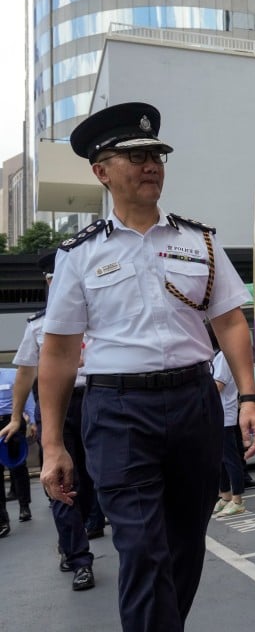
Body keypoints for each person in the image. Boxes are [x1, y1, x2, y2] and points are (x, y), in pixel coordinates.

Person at [38, 101, 255, 632]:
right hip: (117, 411)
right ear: (101, 171)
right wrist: (52, 443)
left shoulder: (199, 242)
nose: (150, 164)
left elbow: (230, 322)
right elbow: (59, 352)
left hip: (195, 403)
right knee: (142, 547)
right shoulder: (80, 255)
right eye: (135, 155)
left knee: (185, 545)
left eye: (156, 154)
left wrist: (249, 396)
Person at [8, 251, 97, 591]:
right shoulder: (38, 326)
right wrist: (17, 417)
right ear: (48, 281)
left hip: (95, 400)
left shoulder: (96, 315)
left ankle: (85, 527)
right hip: (54, 406)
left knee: (91, 477)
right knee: (60, 482)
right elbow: (25, 374)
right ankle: (79, 559)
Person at [209, 328, 247, 517]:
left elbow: (219, 384)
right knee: (220, 460)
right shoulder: (216, 356)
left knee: (230, 459)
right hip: (216, 415)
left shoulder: (224, 355)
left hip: (224, 414)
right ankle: (225, 496)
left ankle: (237, 499)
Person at [0, 366, 35, 537]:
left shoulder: (11, 375)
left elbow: (27, 398)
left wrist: (33, 420)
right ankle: (2, 519)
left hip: (11, 422)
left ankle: (24, 506)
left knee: (17, 466)